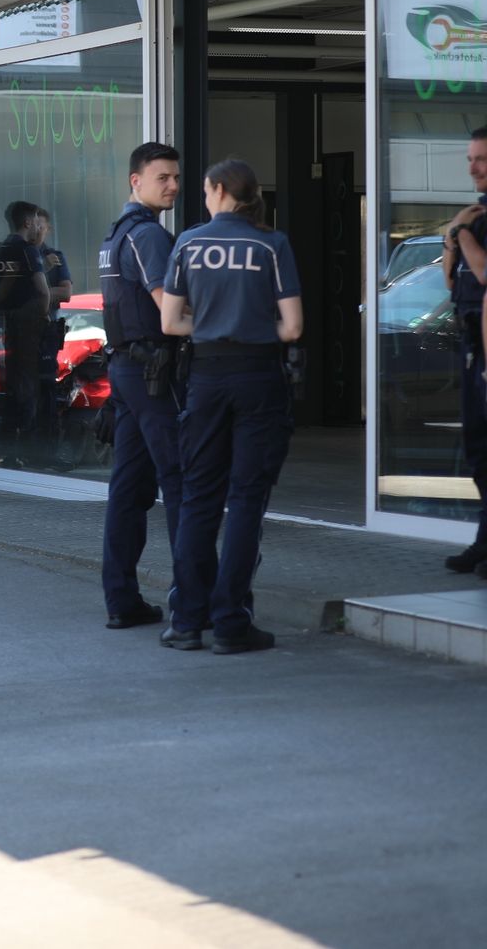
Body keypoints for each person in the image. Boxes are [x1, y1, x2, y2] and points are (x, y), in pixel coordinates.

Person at [158, 158, 303, 655]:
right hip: (260, 376)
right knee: (246, 499)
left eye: (203, 190)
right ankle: (231, 622)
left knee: (198, 496)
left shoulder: (187, 243)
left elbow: (170, 323)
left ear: (220, 191)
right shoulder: (272, 244)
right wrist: (253, 327)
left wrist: (213, 324)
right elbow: (293, 327)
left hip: (206, 377)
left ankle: (186, 621)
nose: (201, 197)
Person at [98, 142, 184, 630]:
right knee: (178, 481)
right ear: (136, 181)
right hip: (153, 372)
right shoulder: (148, 236)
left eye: (175, 177)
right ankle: (192, 600)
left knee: (129, 488)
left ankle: (122, 600)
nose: (172, 185)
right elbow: (169, 313)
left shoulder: (116, 234)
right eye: (162, 177)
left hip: (128, 371)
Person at [441, 128, 487, 575]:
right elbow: (453, 280)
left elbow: (484, 271)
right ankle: (483, 539)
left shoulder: (477, 218)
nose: (472, 167)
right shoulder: (474, 213)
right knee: (477, 447)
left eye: (481, 159)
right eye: (470, 158)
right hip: (471, 339)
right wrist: (452, 238)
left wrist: (463, 233)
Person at [0, 201, 49, 470]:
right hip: (26, 330)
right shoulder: (28, 251)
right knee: (29, 389)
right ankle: (29, 451)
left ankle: (8, 451)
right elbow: (43, 292)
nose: (38, 225)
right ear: (27, 223)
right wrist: (41, 318)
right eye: (36, 220)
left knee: (10, 388)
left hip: (4, 329)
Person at [31, 207, 74, 460]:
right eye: (34, 225)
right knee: (24, 391)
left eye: (42, 226)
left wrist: (37, 291)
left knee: (47, 388)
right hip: (20, 332)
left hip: (46, 330)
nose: (38, 230)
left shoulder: (53, 256)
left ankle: (47, 450)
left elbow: (66, 292)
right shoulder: (20, 254)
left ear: (48, 229)